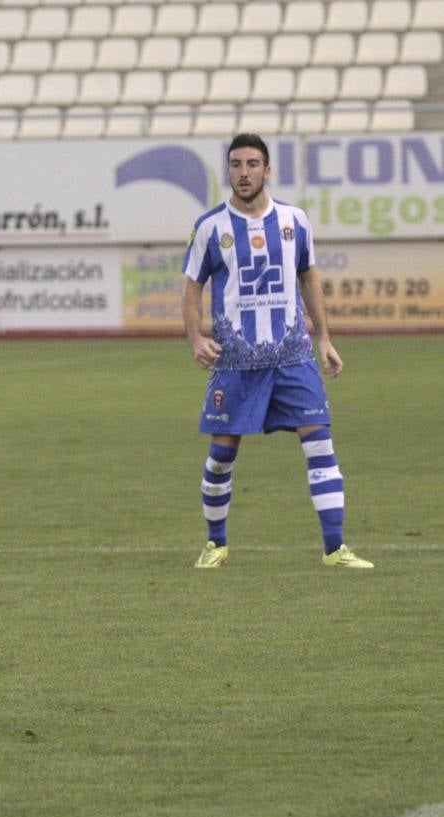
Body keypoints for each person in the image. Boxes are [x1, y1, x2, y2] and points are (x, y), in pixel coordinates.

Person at [182, 133, 373, 570]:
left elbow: (309, 277)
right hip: (236, 361)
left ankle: (335, 548)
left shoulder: (295, 220)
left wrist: (324, 337)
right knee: (221, 456)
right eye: (235, 164)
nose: (243, 172)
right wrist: (195, 338)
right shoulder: (210, 226)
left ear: (267, 170)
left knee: (320, 445)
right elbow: (192, 288)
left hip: (292, 355)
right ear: (227, 170)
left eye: (252, 164)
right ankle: (216, 543)